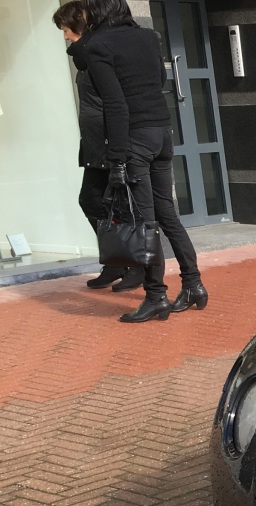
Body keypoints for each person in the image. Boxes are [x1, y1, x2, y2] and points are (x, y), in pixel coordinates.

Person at [83, 0, 208, 322]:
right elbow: (160, 84)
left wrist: (118, 159)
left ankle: (156, 297)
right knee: (167, 214)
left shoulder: (99, 46)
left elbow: (115, 104)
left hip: (135, 139)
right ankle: (193, 284)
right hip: (162, 133)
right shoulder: (150, 38)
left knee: (144, 221)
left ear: (95, 12)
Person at [52, 1, 128, 291]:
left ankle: (132, 265)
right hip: (95, 143)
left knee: (117, 205)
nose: (64, 36)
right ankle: (114, 263)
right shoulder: (85, 60)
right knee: (92, 201)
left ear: (80, 26)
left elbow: (114, 103)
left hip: (108, 142)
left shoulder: (95, 54)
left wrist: (114, 145)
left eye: (66, 29)